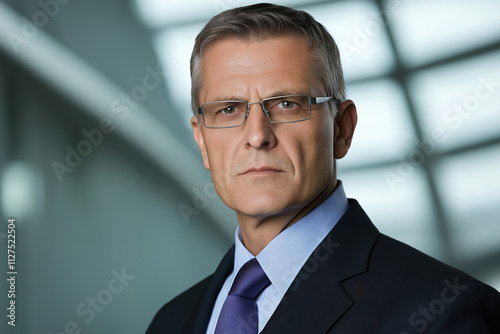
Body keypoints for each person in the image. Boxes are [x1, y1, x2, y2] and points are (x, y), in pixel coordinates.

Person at [146, 3, 500, 333]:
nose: (257, 136)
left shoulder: (446, 312)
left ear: (342, 129)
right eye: (228, 110)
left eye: (286, 104)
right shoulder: (171, 320)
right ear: (202, 140)